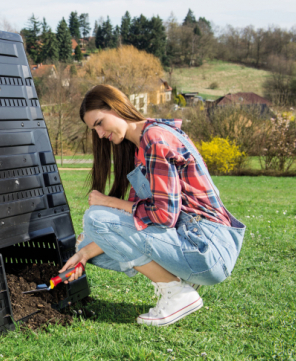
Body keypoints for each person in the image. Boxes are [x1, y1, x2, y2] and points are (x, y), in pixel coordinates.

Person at [60, 84, 245, 326]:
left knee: (96, 217)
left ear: (115, 107)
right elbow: (139, 222)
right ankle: (182, 284)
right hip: (196, 243)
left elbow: (164, 215)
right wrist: (83, 253)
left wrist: (109, 202)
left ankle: (176, 293)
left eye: (99, 123)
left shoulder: (155, 138)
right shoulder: (142, 147)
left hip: (207, 247)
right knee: (89, 241)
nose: (99, 134)